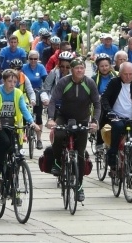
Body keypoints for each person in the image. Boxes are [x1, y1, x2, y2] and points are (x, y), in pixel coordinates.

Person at [46, 57, 100, 202]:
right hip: (64, 117)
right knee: (58, 135)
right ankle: (57, 162)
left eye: (82, 68)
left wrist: (94, 121)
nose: (79, 70)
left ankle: (79, 187)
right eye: (77, 68)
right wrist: (51, 119)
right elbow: (53, 101)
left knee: (80, 154)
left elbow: (97, 103)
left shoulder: (90, 83)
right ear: (71, 70)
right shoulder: (64, 82)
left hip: (82, 119)